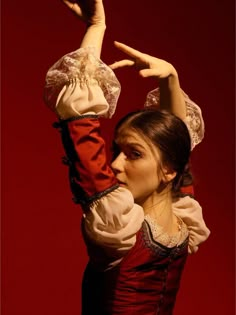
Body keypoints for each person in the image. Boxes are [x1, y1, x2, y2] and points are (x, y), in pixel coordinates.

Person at [44, 1, 210, 314]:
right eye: (115, 151)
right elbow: (177, 144)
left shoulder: (122, 234)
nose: (115, 165)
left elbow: (82, 126)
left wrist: (96, 29)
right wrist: (169, 80)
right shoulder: (171, 220)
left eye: (132, 154)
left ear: (169, 170)